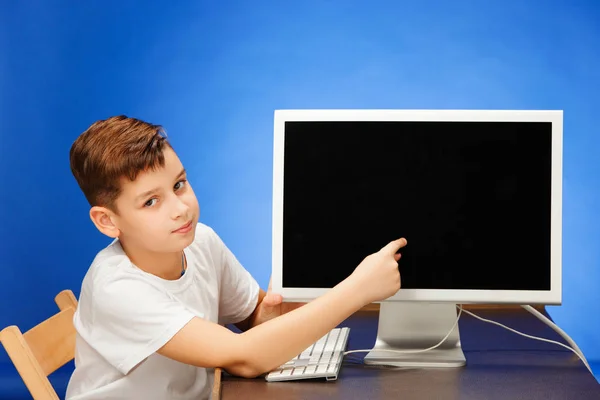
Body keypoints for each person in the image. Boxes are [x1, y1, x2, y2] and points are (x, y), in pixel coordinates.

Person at [65, 115, 407, 400]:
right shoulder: (118, 288)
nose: (181, 209)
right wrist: (358, 289)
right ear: (107, 221)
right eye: (151, 202)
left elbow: (254, 319)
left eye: (180, 184)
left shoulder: (199, 243)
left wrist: (266, 315)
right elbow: (244, 358)